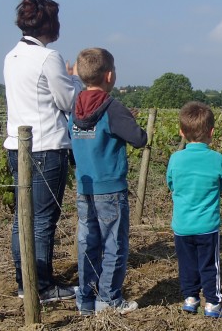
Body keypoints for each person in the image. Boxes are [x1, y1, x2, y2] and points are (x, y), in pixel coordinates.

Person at [4, 0, 83, 303]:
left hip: (17, 145)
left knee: (22, 217)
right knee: (42, 219)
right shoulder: (48, 57)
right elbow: (68, 101)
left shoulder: (12, 55)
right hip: (47, 146)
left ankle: (25, 281)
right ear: (48, 25)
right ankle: (43, 286)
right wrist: (74, 77)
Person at [68, 48, 148, 315]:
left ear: (79, 74)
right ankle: (109, 299)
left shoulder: (74, 106)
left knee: (87, 243)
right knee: (114, 245)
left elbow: (71, 143)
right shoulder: (113, 107)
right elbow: (139, 138)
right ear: (110, 75)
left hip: (84, 186)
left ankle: (86, 300)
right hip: (111, 188)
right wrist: (131, 120)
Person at [166, 101, 222, 318]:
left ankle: (190, 298)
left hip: (182, 225)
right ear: (212, 132)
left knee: (187, 264)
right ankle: (213, 303)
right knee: (210, 265)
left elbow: (170, 184)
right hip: (207, 226)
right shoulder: (217, 159)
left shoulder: (175, 158)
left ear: (181, 132)